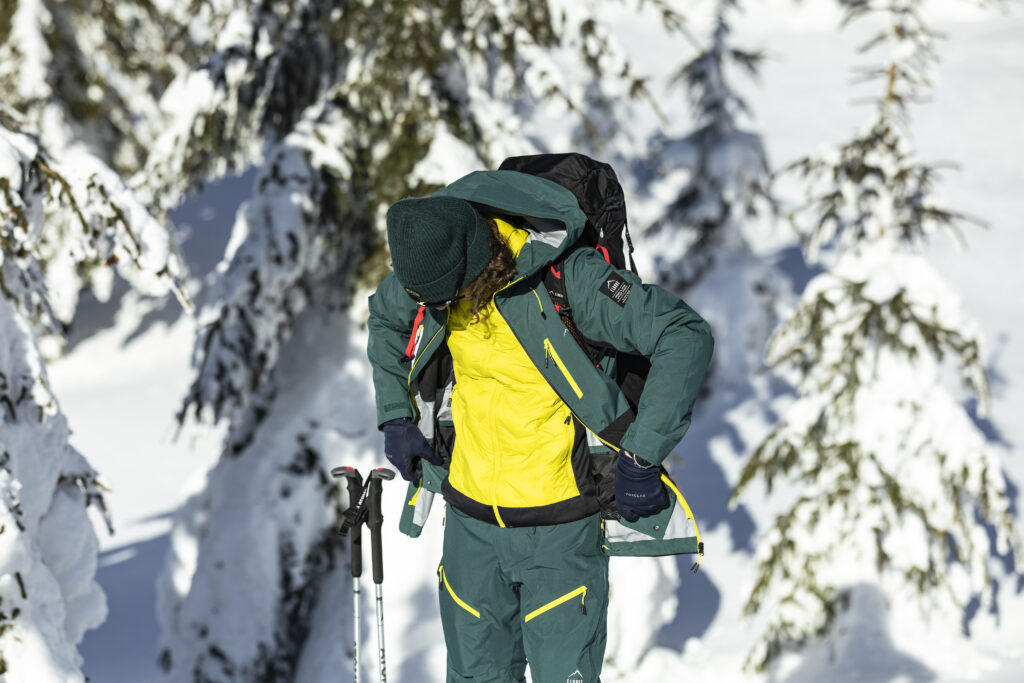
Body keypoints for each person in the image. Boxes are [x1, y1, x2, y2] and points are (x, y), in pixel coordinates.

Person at [366, 167, 713, 682]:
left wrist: (642, 455)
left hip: (560, 534)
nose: (435, 310)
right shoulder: (435, 270)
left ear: (473, 261)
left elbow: (684, 334)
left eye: (441, 299)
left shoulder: (569, 280)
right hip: (469, 528)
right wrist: (396, 415)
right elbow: (387, 316)